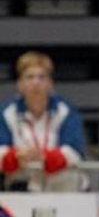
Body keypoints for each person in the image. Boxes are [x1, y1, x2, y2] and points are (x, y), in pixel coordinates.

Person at [1, 51, 88, 193]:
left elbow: (74, 151)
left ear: (50, 83)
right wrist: (15, 156)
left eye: (42, 77)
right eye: (29, 77)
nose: (36, 82)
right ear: (20, 84)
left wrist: (45, 157)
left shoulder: (65, 110)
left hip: (62, 185)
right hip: (22, 185)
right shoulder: (6, 113)